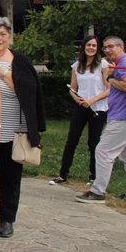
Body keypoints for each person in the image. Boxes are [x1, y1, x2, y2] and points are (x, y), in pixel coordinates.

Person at [0, 16, 46, 238]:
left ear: (9, 36)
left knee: (11, 178)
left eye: (3, 33)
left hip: (13, 130)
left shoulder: (20, 61)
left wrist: (3, 74)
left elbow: (29, 94)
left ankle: (7, 219)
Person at [76, 36, 126, 203]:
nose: (107, 50)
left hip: (123, 117)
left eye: (111, 47)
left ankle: (98, 191)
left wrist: (110, 77)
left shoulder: (125, 64)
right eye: (105, 48)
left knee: (103, 151)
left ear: (121, 47)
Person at [51, 35, 109, 186]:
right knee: (72, 140)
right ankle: (63, 175)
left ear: (97, 49)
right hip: (80, 107)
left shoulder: (103, 64)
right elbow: (73, 88)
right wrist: (76, 98)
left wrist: (92, 100)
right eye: (89, 45)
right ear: (84, 47)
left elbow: (108, 90)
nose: (91, 48)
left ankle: (94, 177)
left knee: (93, 143)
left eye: (94, 46)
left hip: (98, 108)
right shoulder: (77, 65)